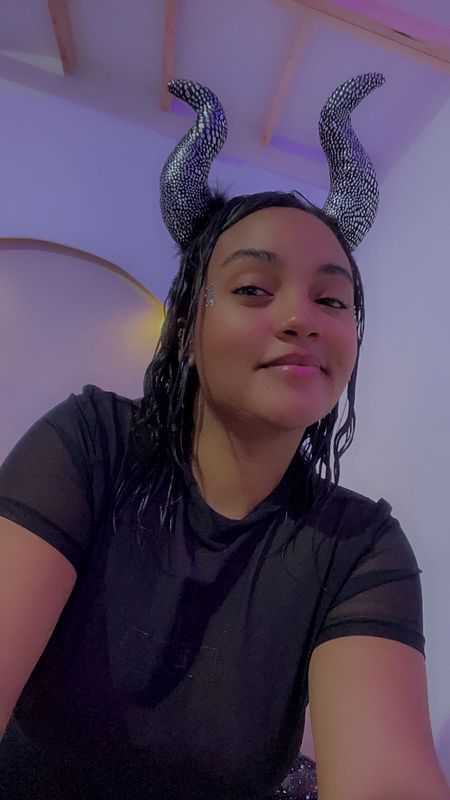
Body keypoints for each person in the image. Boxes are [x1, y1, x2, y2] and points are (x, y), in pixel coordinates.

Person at [0, 74, 448, 800]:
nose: (301, 318)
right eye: (252, 290)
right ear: (187, 331)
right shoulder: (89, 444)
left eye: (332, 299)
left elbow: (387, 776)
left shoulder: (363, 548)